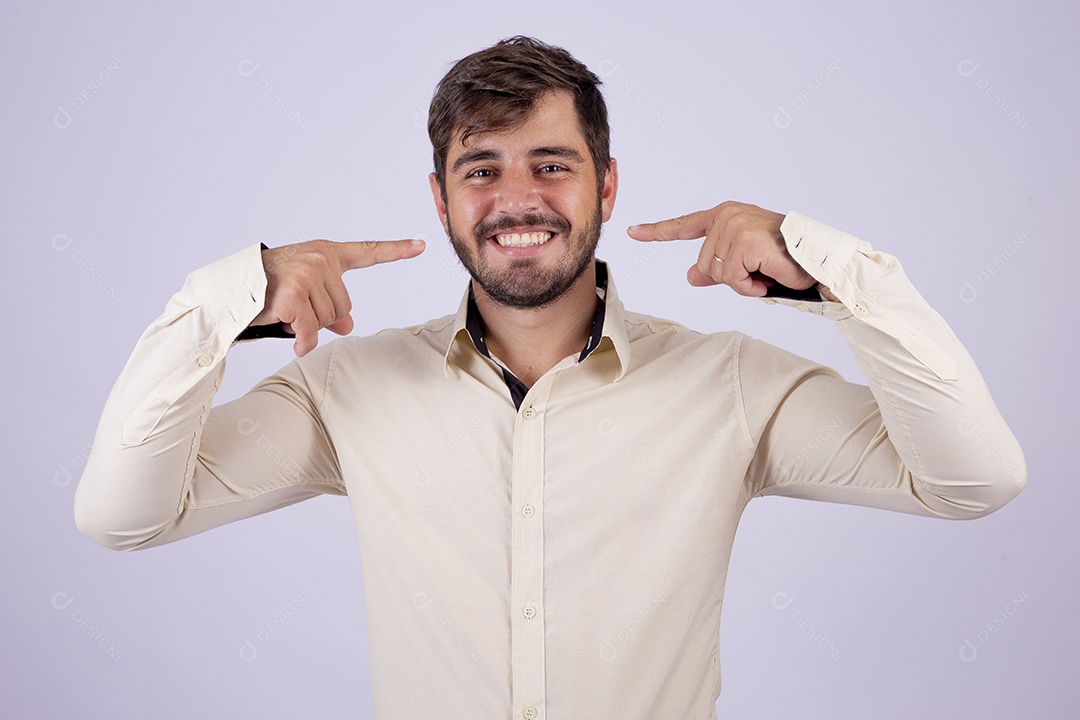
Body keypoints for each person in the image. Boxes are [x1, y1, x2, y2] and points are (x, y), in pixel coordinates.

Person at [75, 36, 1026, 719]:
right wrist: (224, 300)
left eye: (552, 165)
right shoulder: (345, 390)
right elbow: (125, 516)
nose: (517, 200)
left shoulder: (730, 385)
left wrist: (832, 270)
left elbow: (971, 481)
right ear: (441, 199)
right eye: (480, 169)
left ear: (606, 186)